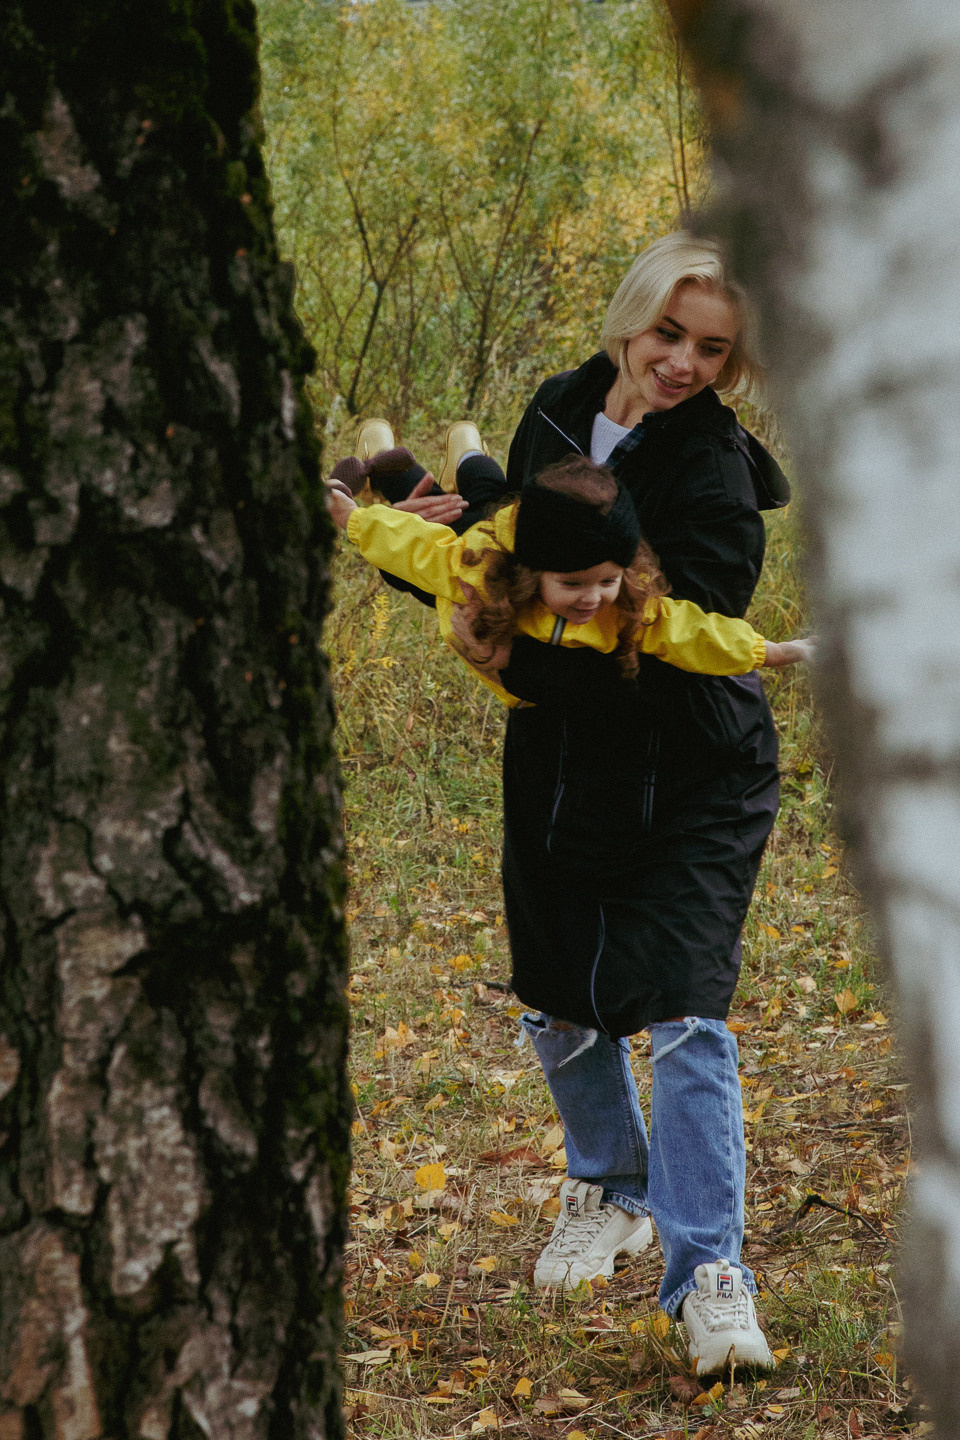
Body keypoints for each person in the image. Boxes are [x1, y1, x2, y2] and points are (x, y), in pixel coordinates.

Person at [333, 230, 797, 1376]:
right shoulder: (559, 403)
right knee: (558, 996)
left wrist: (508, 623)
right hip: (563, 763)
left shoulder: (714, 472)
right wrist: (440, 552)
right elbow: (511, 550)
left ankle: (708, 1278)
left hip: (691, 764)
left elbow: (669, 623)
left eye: (712, 350)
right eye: (667, 335)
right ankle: (611, 1185)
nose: (681, 363)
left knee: (688, 1012)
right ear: (630, 321)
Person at [326, 455, 811, 708]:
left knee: (484, 499)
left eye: (607, 580)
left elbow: (693, 633)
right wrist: (350, 518)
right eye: (575, 584)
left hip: (525, 548)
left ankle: (434, 456)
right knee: (464, 515)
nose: (592, 599)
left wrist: (775, 652)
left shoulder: (623, 610)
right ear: (534, 573)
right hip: (484, 553)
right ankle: (442, 455)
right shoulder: (474, 570)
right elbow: (410, 546)